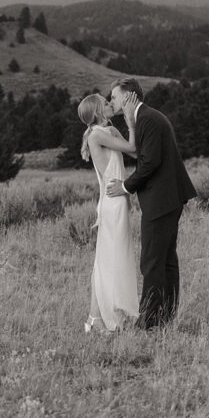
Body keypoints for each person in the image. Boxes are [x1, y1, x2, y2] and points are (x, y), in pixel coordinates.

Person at [106, 77, 196, 330]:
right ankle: (165, 316)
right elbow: (143, 154)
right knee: (165, 260)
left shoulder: (147, 119)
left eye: (114, 97)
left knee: (152, 261)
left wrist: (124, 187)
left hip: (162, 198)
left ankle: (149, 321)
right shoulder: (145, 117)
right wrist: (128, 123)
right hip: (167, 197)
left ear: (128, 96)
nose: (111, 101)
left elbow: (149, 162)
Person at [78, 92, 140, 332]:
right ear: (97, 111)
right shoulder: (95, 135)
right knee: (107, 261)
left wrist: (122, 129)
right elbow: (133, 146)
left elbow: (133, 153)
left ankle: (98, 318)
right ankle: (98, 318)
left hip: (118, 199)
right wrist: (131, 122)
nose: (109, 103)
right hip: (112, 201)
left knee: (111, 259)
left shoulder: (108, 132)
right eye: (105, 103)